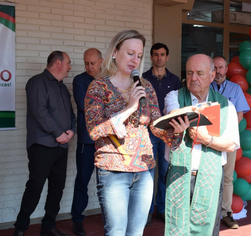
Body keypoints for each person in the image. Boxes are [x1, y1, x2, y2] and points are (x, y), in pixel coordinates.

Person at [84, 30, 180, 236]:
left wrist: (176, 129)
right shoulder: (98, 87)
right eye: (130, 53)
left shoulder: (146, 86)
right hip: (113, 170)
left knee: (136, 232)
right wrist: (129, 107)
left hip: (144, 169)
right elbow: (94, 130)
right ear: (114, 52)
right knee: (116, 232)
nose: (135, 60)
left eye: (139, 55)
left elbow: (155, 124)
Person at [162, 54, 240, 236]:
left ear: (212, 76)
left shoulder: (225, 106)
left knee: (208, 228)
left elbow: (231, 144)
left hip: (211, 177)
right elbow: (174, 112)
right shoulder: (174, 96)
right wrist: (181, 118)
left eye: (199, 73)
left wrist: (207, 140)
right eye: (189, 73)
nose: (193, 78)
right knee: (177, 224)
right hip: (180, 173)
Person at [13, 51, 75, 236]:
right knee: (35, 187)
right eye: (68, 63)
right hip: (41, 146)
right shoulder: (36, 82)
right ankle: (20, 228)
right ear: (58, 63)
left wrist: (72, 130)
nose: (70, 67)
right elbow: (39, 111)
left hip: (61, 146)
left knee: (57, 189)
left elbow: (71, 114)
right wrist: (58, 133)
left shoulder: (63, 88)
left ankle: (48, 227)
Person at [142, 43, 182, 225]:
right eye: (156, 54)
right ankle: (147, 210)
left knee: (165, 172)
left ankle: (162, 208)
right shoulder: (143, 78)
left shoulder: (175, 80)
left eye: (162, 54)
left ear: (167, 57)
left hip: (166, 133)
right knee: (148, 173)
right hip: (147, 132)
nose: (159, 57)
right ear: (151, 57)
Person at [210, 55, 250, 229]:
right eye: (215, 68)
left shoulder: (235, 89)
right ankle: (209, 214)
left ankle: (226, 213)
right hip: (208, 140)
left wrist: (225, 132)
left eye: (221, 68)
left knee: (227, 177)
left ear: (226, 69)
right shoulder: (205, 87)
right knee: (209, 176)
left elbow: (240, 115)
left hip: (228, 140)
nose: (218, 71)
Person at [71, 48, 103, 235]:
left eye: (92, 63)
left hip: (107, 141)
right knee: (82, 181)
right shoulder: (79, 80)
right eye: (86, 63)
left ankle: (110, 217)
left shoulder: (109, 79)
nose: (89, 67)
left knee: (107, 183)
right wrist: (106, 104)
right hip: (86, 140)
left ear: (101, 61)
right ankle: (77, 219)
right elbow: (85, 105)